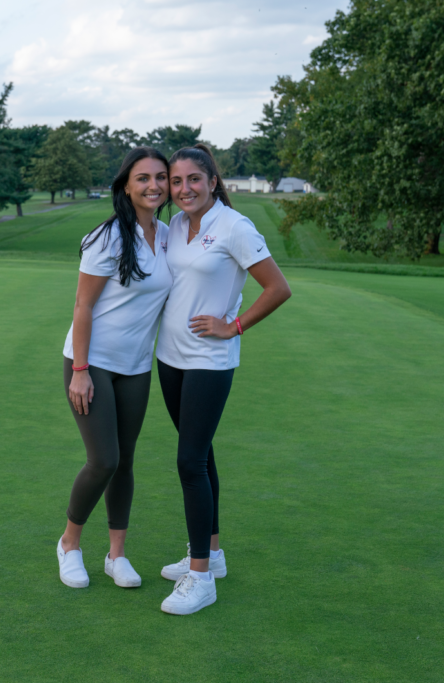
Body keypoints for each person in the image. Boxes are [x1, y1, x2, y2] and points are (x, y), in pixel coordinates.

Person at [155, 143, 292, 615]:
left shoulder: (235, 227)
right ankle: (212, 554)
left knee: (189, 461)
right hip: (169, 359)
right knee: (202, 453)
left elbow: (278, 288)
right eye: (176, 182)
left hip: (209, 361)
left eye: (194, 179)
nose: (184, 189)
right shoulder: (174, 224)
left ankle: (200, 579)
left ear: (213, 181)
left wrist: (233, 325)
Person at [57, 147, 172, 589]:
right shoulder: (106, 238)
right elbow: (83, 305)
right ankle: (69, 544)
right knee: (103, 459)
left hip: (136, 366)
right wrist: (81, 370)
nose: (154, 186)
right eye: (143, 178)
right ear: (126, 184)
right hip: (92, 362)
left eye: (161, 177)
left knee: (125, 462)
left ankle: (116, 556)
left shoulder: (166, 234)